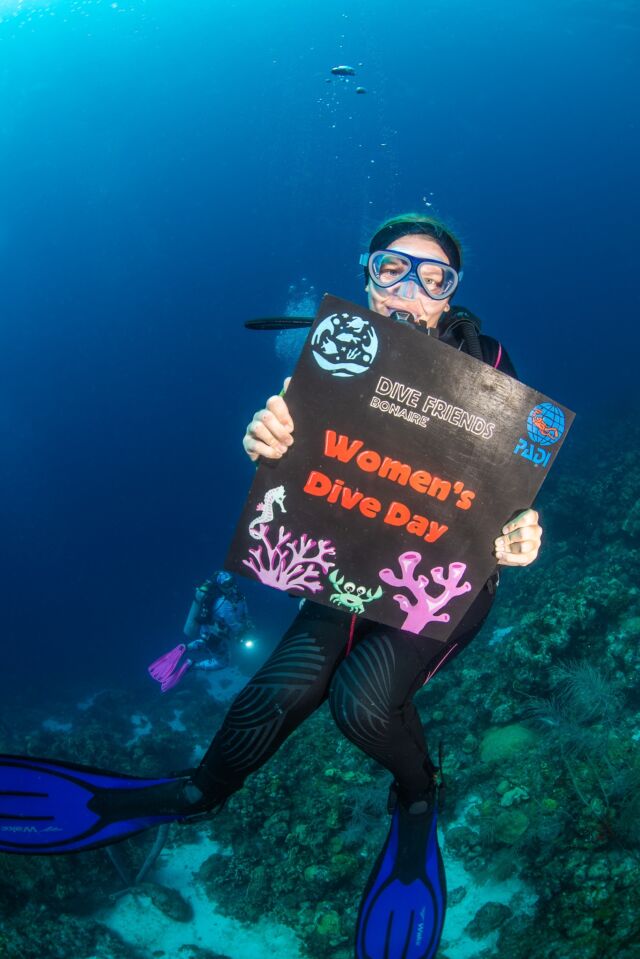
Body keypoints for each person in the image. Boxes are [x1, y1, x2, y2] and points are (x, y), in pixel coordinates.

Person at [0, 214, 543, 959]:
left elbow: (510, 494)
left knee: (361, 703)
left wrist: (521, 534)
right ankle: (197, 793)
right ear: (366, 278)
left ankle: (417, 795)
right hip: (347, 574)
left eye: (433, 277)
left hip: (439, 583)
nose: (409, 290)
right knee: (270, 696)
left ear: (449, 298)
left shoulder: (493, 368)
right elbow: (292, 458)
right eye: (391, 269)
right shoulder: (332, 359)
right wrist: (264, 441)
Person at [148, 571, 254, 692]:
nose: (231, 586)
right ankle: (192, 666)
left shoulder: (234, 596)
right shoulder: (225, 604)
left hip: (207, 633)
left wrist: (247, 620)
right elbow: (234, 625)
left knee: (205, 644)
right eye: (226, 585)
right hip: (215, 637)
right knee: (223, 662)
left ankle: (185, 647)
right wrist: (244, 632)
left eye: (232, 582)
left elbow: (243, 611)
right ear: (220, 586)